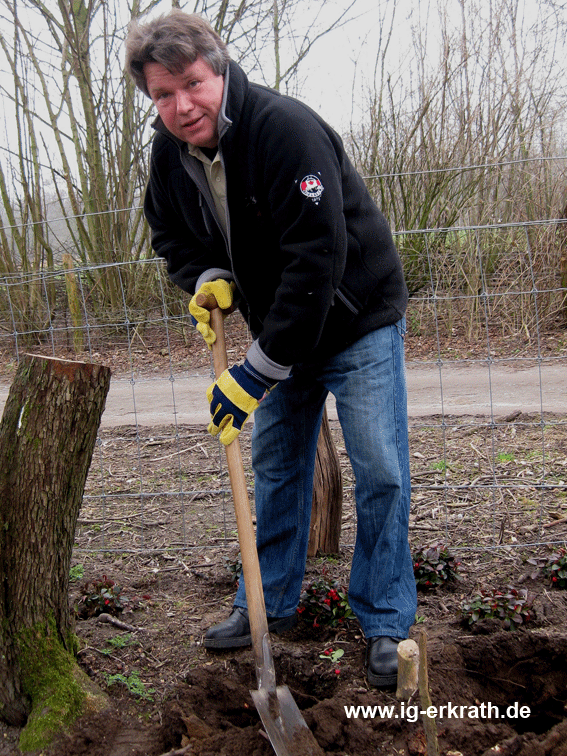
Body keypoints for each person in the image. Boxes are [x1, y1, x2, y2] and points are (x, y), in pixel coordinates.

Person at [125, 9, 417, 688]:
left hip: (355, 319)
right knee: (279, 468)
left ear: (218, 69)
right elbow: (172, 235)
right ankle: (266, 603)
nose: (181, 105)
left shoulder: (285, 129)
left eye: (191, 83)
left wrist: (254, 374)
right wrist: (209, 278)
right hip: (281, 325)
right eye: (162, 94)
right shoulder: (170, 155)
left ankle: (382, 618)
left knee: (380, 470)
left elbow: (316, 259)